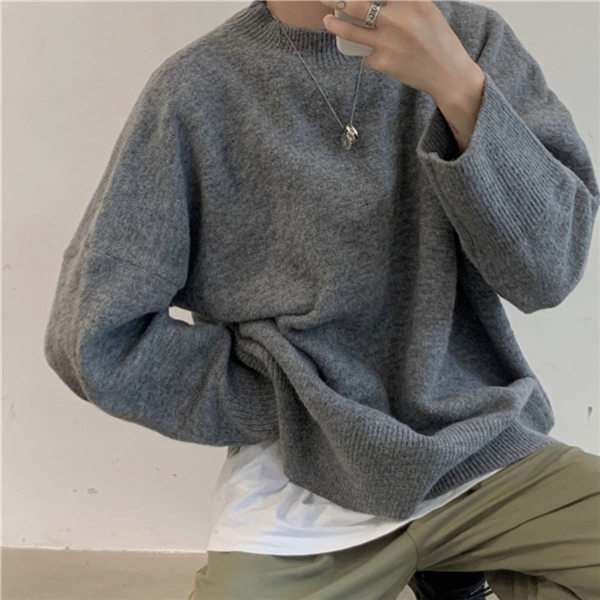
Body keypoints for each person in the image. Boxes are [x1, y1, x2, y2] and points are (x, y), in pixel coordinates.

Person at [43, 0, 600, 599]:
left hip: (481, 452)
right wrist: (294, 403)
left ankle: (453, 569)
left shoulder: (471, 40)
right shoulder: (198, 88)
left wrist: (458, 88)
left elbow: (549, 273)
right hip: (303, 489)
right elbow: (94, 337)